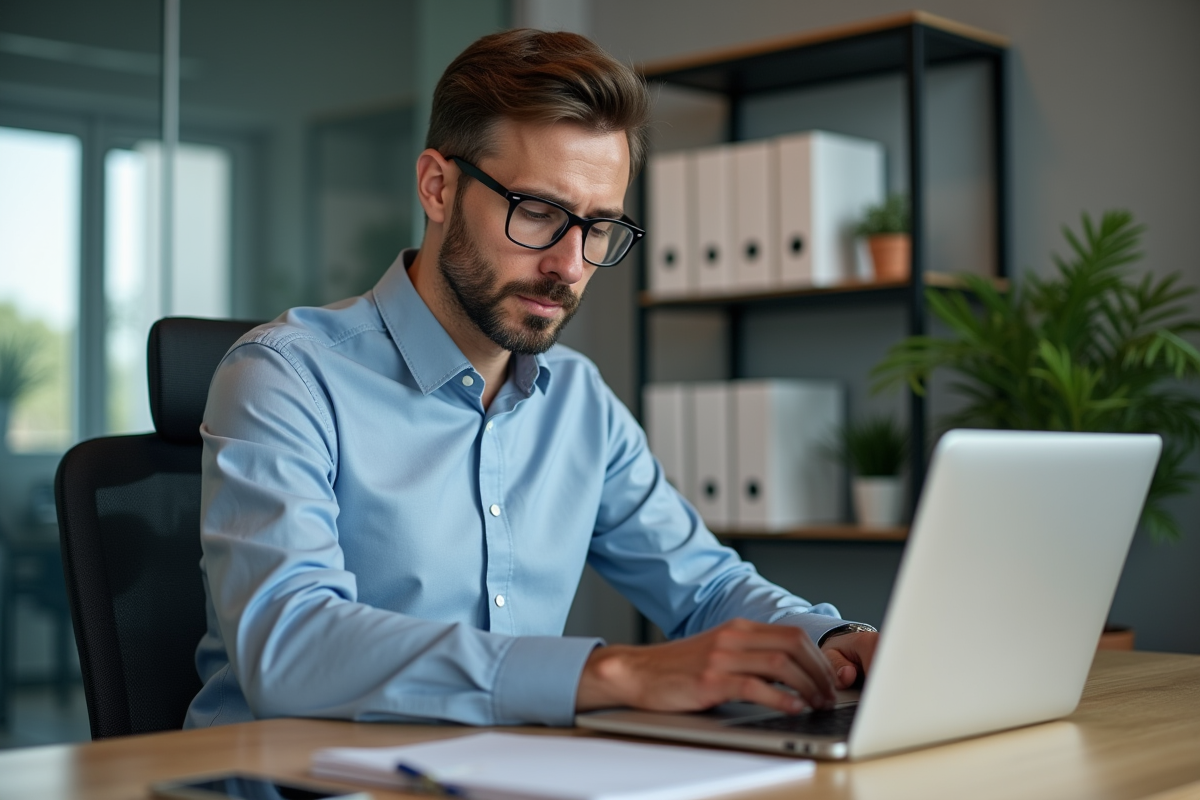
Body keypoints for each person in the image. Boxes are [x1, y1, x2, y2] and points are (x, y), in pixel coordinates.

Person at [185, 28, 877, 730]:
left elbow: (707, 586)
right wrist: (611, 672)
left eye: (599, 226)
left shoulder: (579, 402)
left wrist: (830, 641)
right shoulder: (284, 377)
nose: (570, 265)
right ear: (437, 187)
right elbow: (289, 648)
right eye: (539, 213)